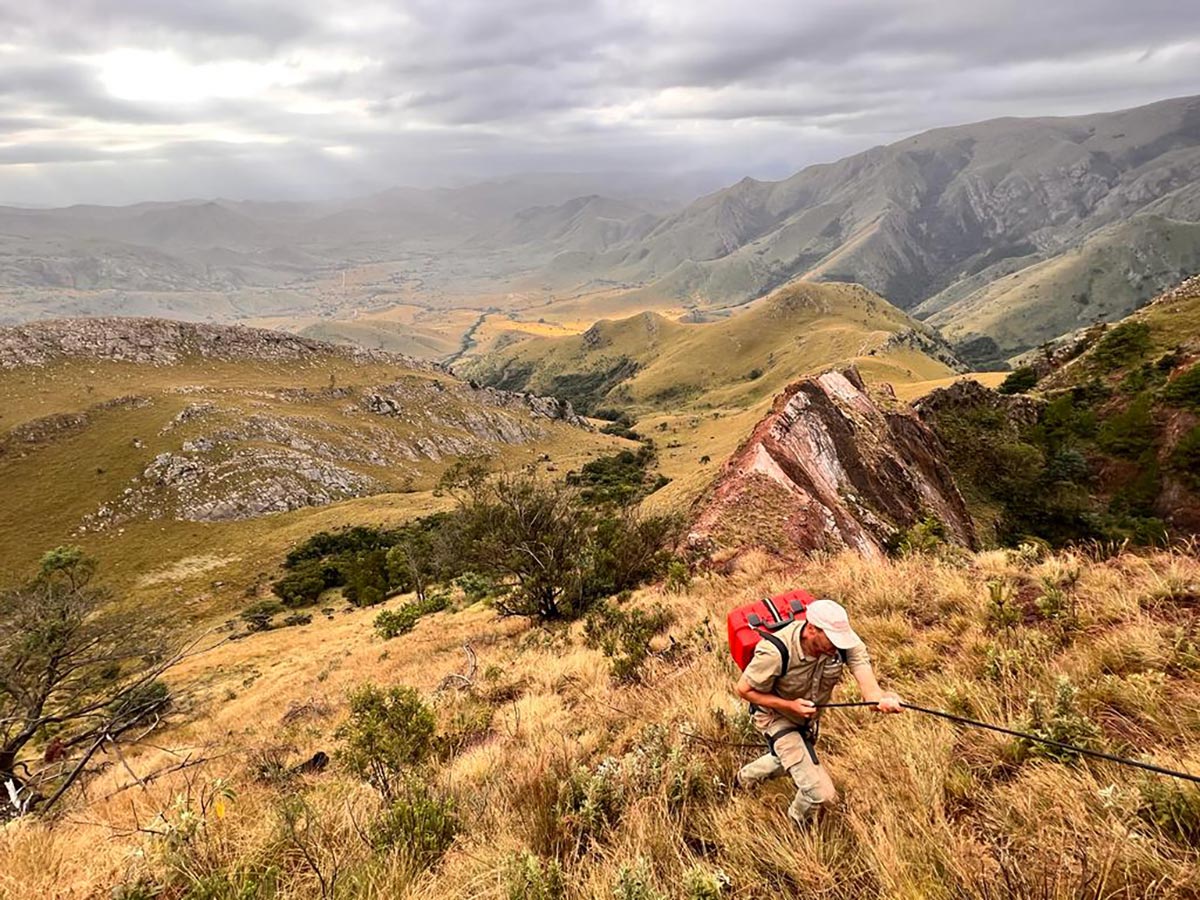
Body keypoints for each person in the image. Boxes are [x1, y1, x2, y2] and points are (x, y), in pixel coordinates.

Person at [734, 597, 902, 827]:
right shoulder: (774, 652)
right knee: (822, 794)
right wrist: (789, 706)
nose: (838, 646)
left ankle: (743, 780)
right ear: (812, 629)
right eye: (832, 639)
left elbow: (871, 693)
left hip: (806, 720)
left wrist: (882, 700)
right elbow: (744, 690)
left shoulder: (844, 644)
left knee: (786, 759)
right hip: (775, 717)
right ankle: (797, 825)